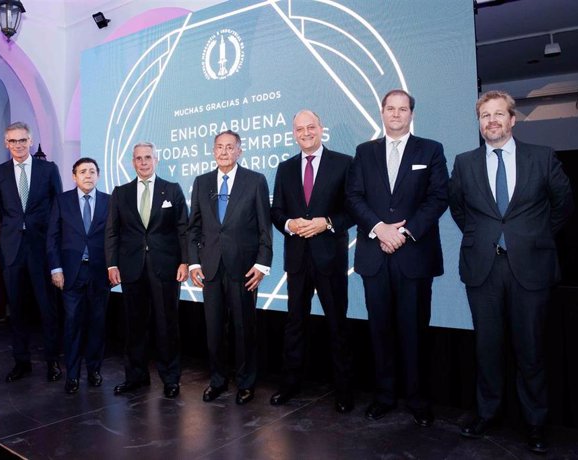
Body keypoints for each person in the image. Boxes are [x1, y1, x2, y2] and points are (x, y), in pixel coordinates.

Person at [449, 90, 573, 453]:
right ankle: (488, 413)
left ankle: (535, 423)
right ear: (480, 122)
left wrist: (532, 237)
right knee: (487, 348)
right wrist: (482, 236)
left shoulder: (542, 157)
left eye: (498, 114)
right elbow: (459, 209)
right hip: (483, 269)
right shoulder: (465, 162)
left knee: (531, 350)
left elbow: (563, 205)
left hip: (531, 268)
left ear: (512, 119)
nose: (492, 121)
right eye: (485, 115)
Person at [346, 90, 448, 426]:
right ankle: (385, 396)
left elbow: (438, 198)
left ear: (411, 114)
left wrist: (402, 233)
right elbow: (354, 196)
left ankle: (418, 400)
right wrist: (379, 228)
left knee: (414, 331)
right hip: (375, 256)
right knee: (381, 331)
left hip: (414, 256)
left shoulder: (430, 150)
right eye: (390, 108)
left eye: (402, 109)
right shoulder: (364, 152)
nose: (396, 114)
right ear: (382, 112)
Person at [269, 110, 355, 413]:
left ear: (322, 129)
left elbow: (352, 210)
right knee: (295, 325)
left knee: (337, 325)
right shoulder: (285, 168)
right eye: (299, 129)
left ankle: (344, 391)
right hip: (296, 259)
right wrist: (290, 225)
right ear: (293, 133)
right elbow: (276, 210)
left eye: (311, 127)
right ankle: (290, 386)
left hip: (329, 258)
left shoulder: (344, 163)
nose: (305, 133)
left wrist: (327, 222)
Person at [188, 130, 272, 405]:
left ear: (239, 151)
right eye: (219, 147)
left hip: (244, 269)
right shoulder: (201, 183)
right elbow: (194, 228)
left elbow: (264, 228)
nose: (223, 152)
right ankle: (218, 380)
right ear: (213, 151)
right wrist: (193, 263)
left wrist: (262, 263)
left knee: (243, 328)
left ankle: (246, 383)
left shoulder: (255, 181)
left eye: (229, 147)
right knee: (213, 329)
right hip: (210, 267)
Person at [105, 143, 189, 399]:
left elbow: (183, 228)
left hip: (166, 268)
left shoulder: (172, 190)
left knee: (167, 325)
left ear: (157, 159)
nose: (143, 162)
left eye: (148, 157)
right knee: (134, 326)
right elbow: (112, 231)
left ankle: (171, 378)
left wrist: (186, 261)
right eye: (138, 158)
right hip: (131, 268)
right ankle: (136, 377)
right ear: (132, 162)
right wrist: (111, 263)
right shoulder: (121, 193)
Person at [0, 122, 64, 383]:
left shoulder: (48, 169)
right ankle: (21, 362)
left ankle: (53, 361)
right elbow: (0, 210)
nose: (18, 145)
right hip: (12, 250)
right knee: (17, 310)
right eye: (13, 141)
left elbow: (58, 208)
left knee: (48, 308)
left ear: (31, 141)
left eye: (22, 140)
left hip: (42, 248)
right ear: (6, 144)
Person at [47, 158, 110, 394]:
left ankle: (94, 370)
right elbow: (52, 237)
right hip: (70, 274)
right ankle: (72, 375)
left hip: (99, 274)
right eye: (83, 171)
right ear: (74, 176)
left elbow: (114, 238)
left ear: (98, 175)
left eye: (92, 171)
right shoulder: (62, 201)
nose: (88, 175)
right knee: (72, 325)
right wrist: (56, 269)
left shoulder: (109, 202)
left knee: (97, 325)